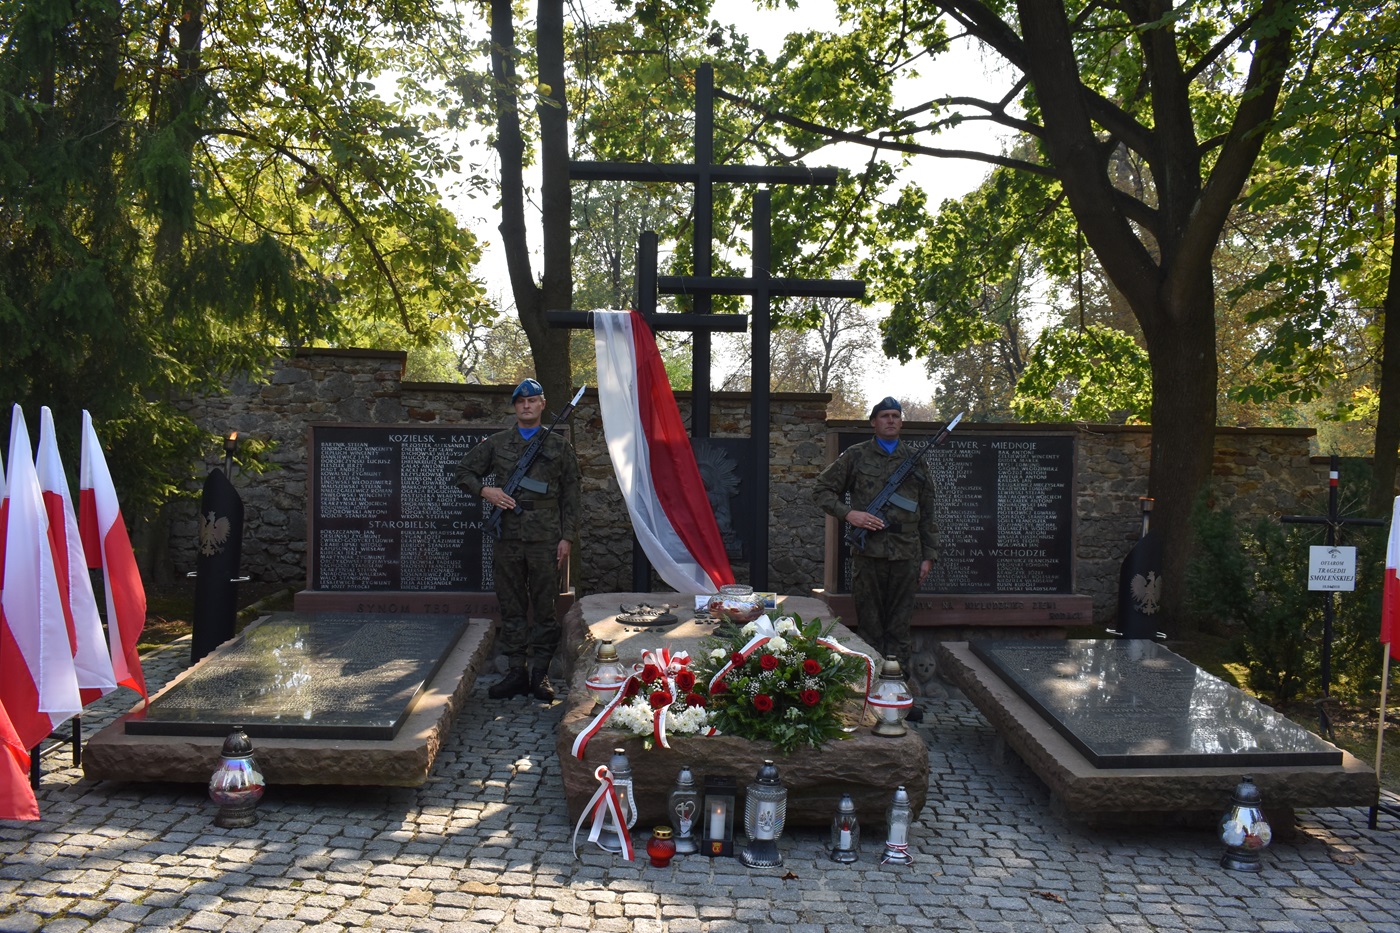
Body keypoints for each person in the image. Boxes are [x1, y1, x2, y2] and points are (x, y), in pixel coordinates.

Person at [455, 378, 581, 702]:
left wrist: (567, 537)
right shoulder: (497, 444)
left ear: (542, 405)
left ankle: (540, 674)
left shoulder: (559, 447)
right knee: (511, 605)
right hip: (507, 536)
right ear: (515, 406)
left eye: (532, 400)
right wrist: (487, 491)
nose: (526, 405)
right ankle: (515, 671)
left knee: (545, 607)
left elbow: (571, 494)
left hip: (545, 538)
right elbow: (463, 472)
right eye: (521, 401)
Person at [814, 396, 938, 722]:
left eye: (896, 416)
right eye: (884, 416)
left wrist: (929, 556)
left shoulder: (914, 459)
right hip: (869, 554)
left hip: (907, 555)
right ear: (873, 422)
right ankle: (868, 698)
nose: (891, 420)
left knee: (899, 631)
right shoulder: (856, 456)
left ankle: (898, 699)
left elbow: (928, 511)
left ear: (901, 421)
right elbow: (822, 490)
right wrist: (849, 514)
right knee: (869, 629)